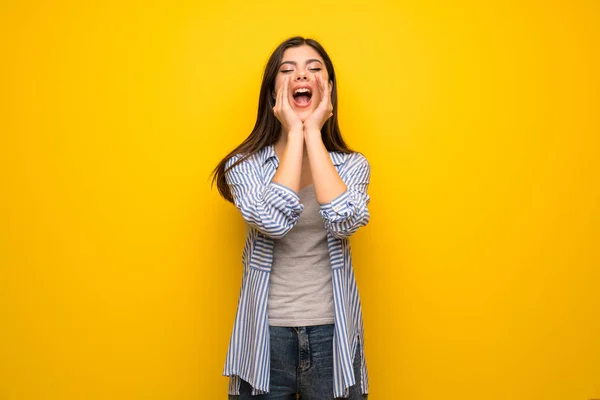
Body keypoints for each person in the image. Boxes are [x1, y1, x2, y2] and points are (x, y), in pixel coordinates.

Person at [211, 36, 371, 399]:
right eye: (288, 70)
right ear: (273, 93)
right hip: (264, 338)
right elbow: (272, 220)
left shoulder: (352, 166)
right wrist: (295, 135)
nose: (302, 76)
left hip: (334, 335)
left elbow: (345, 220)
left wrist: (312, 132)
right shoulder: (245, 165)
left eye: (315, 70)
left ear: (328, 91)